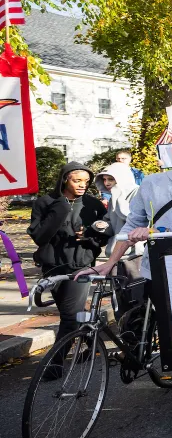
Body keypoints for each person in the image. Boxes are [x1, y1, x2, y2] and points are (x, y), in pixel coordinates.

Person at [83, 130, 172, 431]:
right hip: (155, 269)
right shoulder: (152, 183)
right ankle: (145, 353)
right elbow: (133, 225)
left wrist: (160, 233)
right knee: (158, 325)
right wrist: (109, 263)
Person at [29, 162, 109, 380]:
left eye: (86, 181)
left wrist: (91, 235)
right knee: (71, 311)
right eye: (77, 180)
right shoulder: (46, 202)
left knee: (69, 315)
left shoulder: (92, 204)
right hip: (53, 266)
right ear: (65, 179)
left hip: (81, 266)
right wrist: (59, 209)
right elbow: (39, 237)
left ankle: (55, 364)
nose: (83, 185)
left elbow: (106, 232)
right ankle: (92, 341)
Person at [94, 162, 140, 258]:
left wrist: (118, 196)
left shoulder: (138, 192)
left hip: (135, 254)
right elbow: (112, 223)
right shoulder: (113, 196)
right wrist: (102, 226)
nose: (106, 183)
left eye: (111, 179)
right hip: (115, 253)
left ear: (122, 178)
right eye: (104, 179)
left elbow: (135, 218)